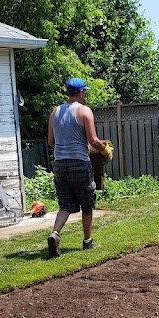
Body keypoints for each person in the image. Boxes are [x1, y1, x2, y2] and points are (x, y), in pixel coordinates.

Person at [46, 77, 107, 258]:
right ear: (81, 93)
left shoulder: (55, 112)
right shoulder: (84, 111)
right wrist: (106, 151)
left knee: (66, 205)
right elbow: (93, 141)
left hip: (60, 165)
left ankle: (55, 233)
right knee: (87, 204)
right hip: (79, 163)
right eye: (84, 92)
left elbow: (51, 142)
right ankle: (87, 241)